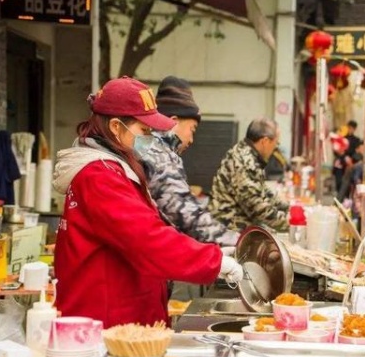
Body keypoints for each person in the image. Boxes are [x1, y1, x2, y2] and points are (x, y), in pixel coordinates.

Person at [52, 77, 243, 328]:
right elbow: (148, 239)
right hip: (107, 322)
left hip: (121, 316)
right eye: (145, 131)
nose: (151, 139)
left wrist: (214, 253)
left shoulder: (117, 170)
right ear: (117, 127)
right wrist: (214, 261)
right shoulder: (99, 176)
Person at [141, 76, 238, 247]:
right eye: (192, 130)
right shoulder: (157, 152)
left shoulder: (147, 145)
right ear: (174, 122)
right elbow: (186, 216)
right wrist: (239, 241)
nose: (192, 139)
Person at [209, 118, 289, 232]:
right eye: (276, 143)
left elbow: (261, 191)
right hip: (229, 227)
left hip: (235, 222)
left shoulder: (246, 152)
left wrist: (286, 206)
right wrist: (291, 223)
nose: (276, 147)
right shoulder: (245, 161)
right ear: (265, 141)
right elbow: (257, 208)